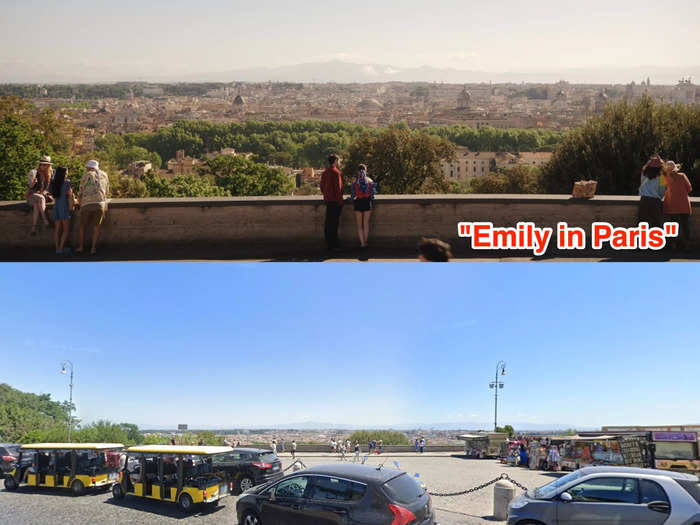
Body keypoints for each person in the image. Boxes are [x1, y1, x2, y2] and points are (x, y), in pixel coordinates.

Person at [78, 160, 110, 255]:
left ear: (89, 168)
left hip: (86, 203)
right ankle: (93, 249)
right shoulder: (104, 175)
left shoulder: (86, 175)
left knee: (82, 226)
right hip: (100, 203)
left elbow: (81, 190)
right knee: (96, 227)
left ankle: (80, 247)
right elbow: (107, 190)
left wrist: (79, 202)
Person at [663, 160, 692, 250]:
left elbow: (661, 190)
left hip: (671, 205)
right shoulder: (682, 176)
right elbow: (689, 188)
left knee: (672, 225)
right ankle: (687, 245)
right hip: (684, 204)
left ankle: (673, 244)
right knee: (685, 225)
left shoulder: (664, 178)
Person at [26, 155, 55, 236]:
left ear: (48, 166)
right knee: (40, 198)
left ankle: (33, 228)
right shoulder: (34, 172)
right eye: (41, 164)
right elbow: (30, 187)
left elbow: (50, 188)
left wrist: (45, 192)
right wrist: (33, 182)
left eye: (45, 165)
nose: (42, 166)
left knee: (36, 205)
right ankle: (45, 220)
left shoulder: (50, 174)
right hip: (32, 195)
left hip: (42, 197)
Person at [320, 154, 344, 250]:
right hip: (335, 201)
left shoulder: (325, 172)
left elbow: (322, 187)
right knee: (334, 223)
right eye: (338, 161)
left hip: (328, 200)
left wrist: (326, 195)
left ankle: (329, 243)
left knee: (328, 223)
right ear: (335, 161)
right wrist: (340, 201)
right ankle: (334, 244)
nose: (338, 163)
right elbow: (338, 189)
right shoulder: (336, 172)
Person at [49, 166, 74, 255]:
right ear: (64, 173)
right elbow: (70, 194)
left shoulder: (53, 182)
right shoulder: (67, 182)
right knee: (65, 230)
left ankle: (57, 248)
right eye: (67, 172)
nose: (67, 174)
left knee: (57, 229)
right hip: (64, 206)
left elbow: (51, 193)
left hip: (56, 206)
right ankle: (61, 248)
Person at [350, 164, 376, 248]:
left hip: (358, 203)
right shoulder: (370, 181)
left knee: (359, 226)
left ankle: (362, 243)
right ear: (366, 171)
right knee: (366, 224)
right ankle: (366, 242)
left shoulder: (355, 182)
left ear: (358, 171)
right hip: (367, 203)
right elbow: (372, 194)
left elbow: (353, 195)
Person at [639, 154, 666, 228]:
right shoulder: (662, 177)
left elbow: (644, 168)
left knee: (642, 224)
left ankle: (642, 239)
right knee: (656, 225)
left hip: (644, 201)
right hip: (655, 202)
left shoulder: (643, 174)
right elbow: (662, 192)